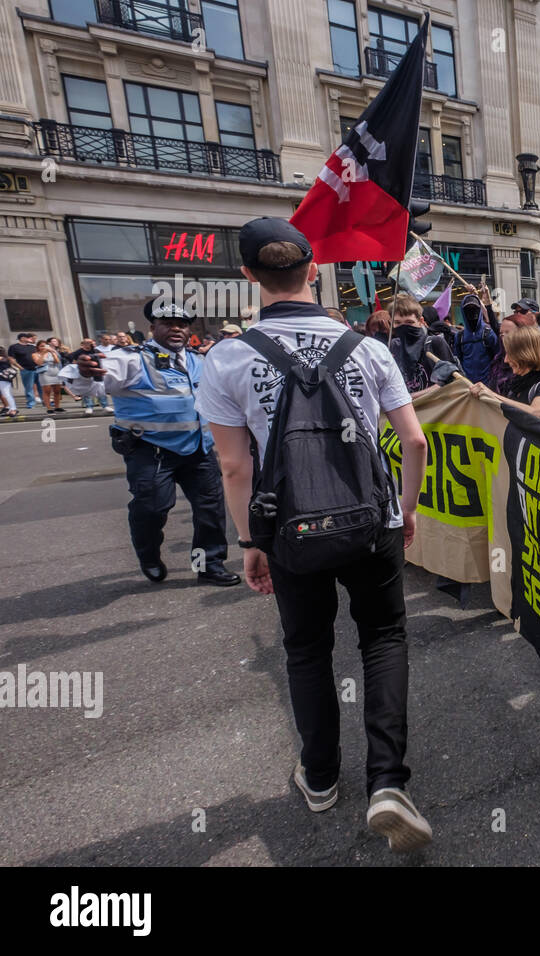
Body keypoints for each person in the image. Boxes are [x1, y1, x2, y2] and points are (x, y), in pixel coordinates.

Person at [197, 216, 434, 852]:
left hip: (289, 526)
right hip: (371, 518)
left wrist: (250, 542)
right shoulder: (369, 347)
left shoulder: (227, 357)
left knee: (306, 649)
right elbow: (414, 439)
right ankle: (388, 781)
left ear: (248, 275)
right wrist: (406, 511)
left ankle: (322, 776)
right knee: (384, 638)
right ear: (314, 270)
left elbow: (233, 464)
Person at [66, 299, 240, 587]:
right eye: (167, 324)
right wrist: (84, 373)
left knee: (210, 511)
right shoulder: (131, 359)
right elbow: (94, 384)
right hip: (151, 450)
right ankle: (149, 556)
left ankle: (209, 565)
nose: (176, 329)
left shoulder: (199, 360)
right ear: (152, 328)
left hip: (198, 449)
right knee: (152, 509)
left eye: (182, 325)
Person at [469, 325, 540, 427]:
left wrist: (492, 395)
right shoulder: (517, 384)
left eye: (509, 354)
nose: (506, 360)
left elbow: (537, 413)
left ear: (525, 355)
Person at [388, 293, 444, 393]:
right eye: (397, 323)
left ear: (420, 321)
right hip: (406, 407)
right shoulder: (394, 345)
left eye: (409, 322)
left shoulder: (434, 342)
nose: (403, 327)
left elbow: (451, 380)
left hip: (435, 406)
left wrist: (412, 398)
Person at [452, 291, 498, 384]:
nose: (472, 311)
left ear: (479, 310)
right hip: (467, 386)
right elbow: (457, 361)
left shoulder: (488, 333)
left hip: (488, 386)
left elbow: (498, 358)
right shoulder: (459, 336)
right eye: (468, 309)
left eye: (475, 308)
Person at [68, 338, 112, 415]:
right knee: (87, 390)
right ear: (84, 344)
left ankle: (105, 406)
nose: (91, 344)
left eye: (92, 342)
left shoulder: (95, 350)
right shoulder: (79, 352)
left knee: (101, 389)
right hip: (85, 374)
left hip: (97, 372)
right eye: (88, 343)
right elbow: (71, 358)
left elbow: (103, 356)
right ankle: (89, 406)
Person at [34, 338, 66, 413]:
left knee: (57, 391)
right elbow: (39, 362)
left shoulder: (51, 352)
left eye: (45, 346)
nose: (43, 347)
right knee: (47, 391)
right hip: (45, 373)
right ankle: (49, 408)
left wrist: (52, 352)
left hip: (55, 372)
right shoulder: (35, 354)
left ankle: (57, 407)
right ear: (38, 347)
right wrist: (43, 353)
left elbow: (57, 361)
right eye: (41, 346)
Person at [0, 347, 18, 417]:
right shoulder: (6, 358)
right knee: (7, 394)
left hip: (2, 378)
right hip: (5, 378)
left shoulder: (1, 358)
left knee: (7, 394)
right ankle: (11, 409)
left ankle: (13, 409)